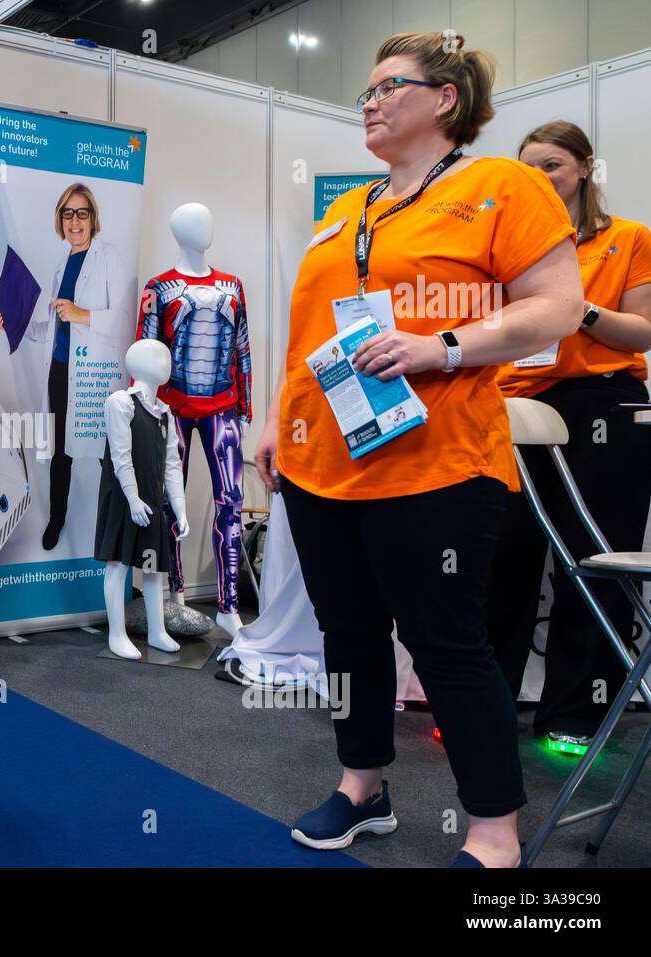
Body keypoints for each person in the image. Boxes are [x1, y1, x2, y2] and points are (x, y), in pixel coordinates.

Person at [254, 32, 583, 867]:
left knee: (447, 642)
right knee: (347, 635)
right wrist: (272, 421)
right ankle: (362, 788)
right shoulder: (345, 210)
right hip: (323, 462)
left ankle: (493, 833)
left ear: (445, 99)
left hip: (438, 461)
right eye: (364, 91)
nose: (368, 101)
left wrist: (439, 344)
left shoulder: (499, 184)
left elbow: (554, 308)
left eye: (387, 86)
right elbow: (306, 340)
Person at [487, 121, 651, 749]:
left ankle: (575, 717)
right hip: (513, 406)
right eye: (528, 169)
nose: (541, 179)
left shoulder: (628, 238)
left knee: (594, 559)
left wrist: (572, 308)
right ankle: (487, 705)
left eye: (552, 166)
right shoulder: (508, 254)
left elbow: (641, 332)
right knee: (503, 560)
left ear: (586, 168)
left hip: (601, 406)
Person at [0, 182, 136, 550]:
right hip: (61, 371)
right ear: (61, 220)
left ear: (93, 219)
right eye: (68, 213)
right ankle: (57, 517)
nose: (75, 221)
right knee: (60, 450)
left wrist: (83, 314)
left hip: (94, 374)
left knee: (108, 450)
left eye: (82, 213)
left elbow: (125, 318)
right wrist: (15, 322)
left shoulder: (109, 257)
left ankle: (119, 526)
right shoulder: (61, 267)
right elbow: (49, 327)